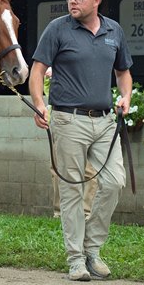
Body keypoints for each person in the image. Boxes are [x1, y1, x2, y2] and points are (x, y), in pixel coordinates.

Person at [29, 0, 133, 281]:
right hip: (67, 119)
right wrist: (38, 103)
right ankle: (76, 259)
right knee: (72, 189)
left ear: (96, 0)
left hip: (104, 121)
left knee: (114, 182)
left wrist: (126, 96)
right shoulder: (57, 29)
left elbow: (123, 72)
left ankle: (92, 249)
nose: (72, 2)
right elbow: (37, 72)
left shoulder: (114, 30)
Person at [44, 67, 98, 220]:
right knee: (56, 168)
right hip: (59, 122)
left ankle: (86, 212)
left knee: (88, 170)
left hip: (82, 123)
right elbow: (48, 93)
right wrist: (50, 78)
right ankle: (59, 212)